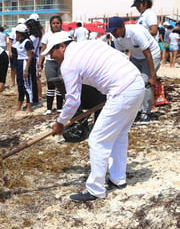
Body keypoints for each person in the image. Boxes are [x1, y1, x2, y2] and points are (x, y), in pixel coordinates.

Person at [42, 31, 145, 202]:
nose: (52, 57)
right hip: (136, 83)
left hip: (122, 90)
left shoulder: (69, 63)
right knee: (119, 135)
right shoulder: (89, 43)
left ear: (62, 46)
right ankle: (118, 179)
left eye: (52, 52)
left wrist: (60, 122)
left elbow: (73, 100)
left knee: (97, 139)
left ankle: (95, 189)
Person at [107, 16, 160, 124]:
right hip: (136, 57)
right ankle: (137, 110)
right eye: (111, 31)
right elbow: (119, 57)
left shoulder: (136, 33)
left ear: (122, 27)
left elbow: (148, 53)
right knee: (132, 82)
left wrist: (153, 76)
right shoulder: (116, 38)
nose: (113, 33)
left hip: (151, 55)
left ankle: (146, 113)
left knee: (145, 83)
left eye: (115, 30)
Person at [38, 15, 64, 115]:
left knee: (60, 85)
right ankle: (49, 108)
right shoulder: (47, 36)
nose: (56, 25)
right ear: (50, 25)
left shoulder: (64, 34)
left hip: (61, 62)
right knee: (51, 84)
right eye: (54, 23)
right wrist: (40, 63)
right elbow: (43, 49)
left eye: (58, 23)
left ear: (61, 24)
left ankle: (59, 107)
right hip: (50, 62)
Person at [13, 23, 35, 113]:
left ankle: (29, 105)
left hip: (24, 63)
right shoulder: (18, 42)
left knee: (27, 85)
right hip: (19, 63)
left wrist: (26, 69)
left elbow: (30, 56)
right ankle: (20, 103)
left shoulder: (27, 42)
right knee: (20, 85)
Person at [25, 13, 43, 103]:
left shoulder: (33, 37)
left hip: (34, 57)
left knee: (35, 78)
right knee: (36, 78)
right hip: (36, 56)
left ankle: (38, 95)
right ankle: (39, 95)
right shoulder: (39, 34)